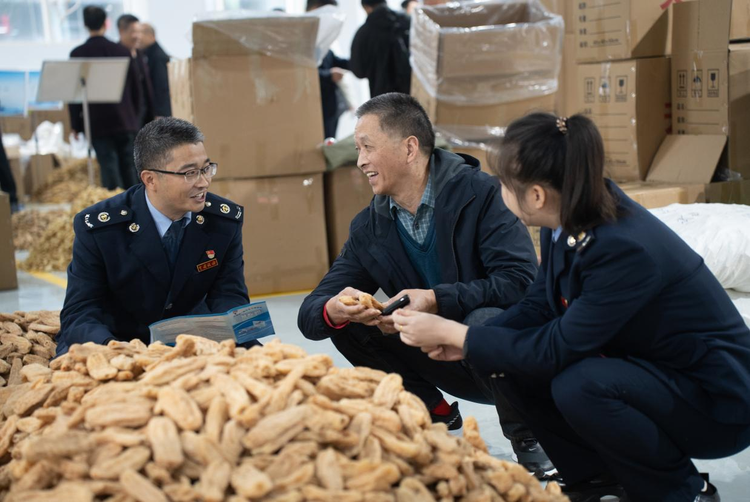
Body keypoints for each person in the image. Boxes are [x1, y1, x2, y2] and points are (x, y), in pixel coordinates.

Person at [392, 112, 750, 502]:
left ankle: (684, 492)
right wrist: (477, 342)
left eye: (506, 185)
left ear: (536, 195)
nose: (500, 192)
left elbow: (557, 349)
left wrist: (458, 333)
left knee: (580, 384)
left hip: (718, 403)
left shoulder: (623, 249)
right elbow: (542, 301)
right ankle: (596, 481)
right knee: (501, 355)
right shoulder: (567, 212)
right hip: (661, 373)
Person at [297, 93, 553, 476]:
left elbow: (521, 282)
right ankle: (429, 414)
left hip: (506, 357)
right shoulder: (369, 227)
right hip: (440, 359)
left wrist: (436, 300)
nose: (361, 160)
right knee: (351, 323)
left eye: (367, 147)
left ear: (410, 148)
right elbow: (311, 311)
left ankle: (531, 437)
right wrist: (333, 308)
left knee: (486, 318)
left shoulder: (482, 195)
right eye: (358, 149)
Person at [58, 118, 255, 355]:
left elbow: (229, 297)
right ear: (150, 179)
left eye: (206, 168)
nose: (204, 182)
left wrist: (237, 345)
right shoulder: (100, 228)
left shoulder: (223, 222)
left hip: (191, 345)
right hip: (118, 343)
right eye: (190, 173)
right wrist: (114, 350)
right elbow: (80, 310)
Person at [69, 6, 141, 190]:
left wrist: (76, 125)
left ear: (85, 24)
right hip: (125, 119)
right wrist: (136, 116)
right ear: (106, 23)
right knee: (130, 167)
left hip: (97, 121)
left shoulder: (77, 54)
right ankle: (136, 208)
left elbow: (75, 93)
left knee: (108, 168)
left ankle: (115, 211)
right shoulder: (122, 51)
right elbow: (135, 88)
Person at [307, 0, 350, 139]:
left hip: (330, 106)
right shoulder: (304, 39)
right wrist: (328, 75)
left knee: (331, 142)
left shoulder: (321, 40)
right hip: (316, 106)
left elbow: (334, 60)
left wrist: (357, 62)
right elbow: (302, 74)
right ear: (316, 9)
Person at [350, 0, 411, 98]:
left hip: (381, 98)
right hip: (411, 94)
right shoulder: (407, 21)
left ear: (367, 8)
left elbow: (358, 71)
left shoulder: (364, 33)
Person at [118, 14, 155, 128]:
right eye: (134, 31)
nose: (138, 36)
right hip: (126, 119)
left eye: (140, 32)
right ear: (121, 31)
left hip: (145, 116)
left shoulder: (140, 54)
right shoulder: (116, 55)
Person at [141, 23, 172, 118]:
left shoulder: (157, 56)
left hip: (160, 112)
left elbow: (161, 87)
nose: (138, 38)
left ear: (151, 36)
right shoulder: (148, 54)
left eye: (140, 34)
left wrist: (159, 113)